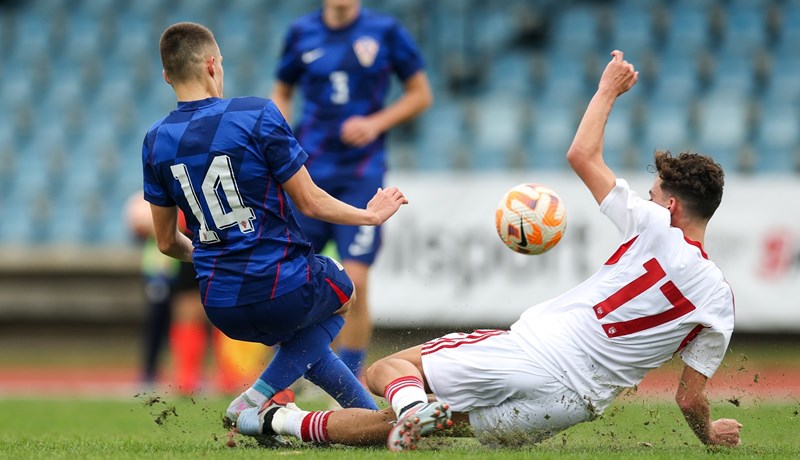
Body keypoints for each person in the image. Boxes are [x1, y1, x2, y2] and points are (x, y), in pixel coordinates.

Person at [236, 50, 743, 451]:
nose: (649, 198)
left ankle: (408, 411)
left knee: (385, 373)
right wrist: (710, 436)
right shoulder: (719, 300)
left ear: (672, 206)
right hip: (573, 405)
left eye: (655, 193)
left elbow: (581, 154)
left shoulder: (655, 225)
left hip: (532, 352)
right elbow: (690, 397)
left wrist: (607, 89)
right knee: (391, 423)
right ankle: (275, 421)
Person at [142, 22, 408, 428]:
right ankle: (255, 397)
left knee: (305, 346)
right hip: (279, 284)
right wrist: (369, 215)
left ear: (166, 75)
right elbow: (309, 200)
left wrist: (214, 256)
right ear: (213, 65)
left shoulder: (155, 140)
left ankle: (377, 422)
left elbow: (165, 242)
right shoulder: (255, 113)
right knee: (344, 291)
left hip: (219, 303)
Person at [271, 0, 433, 379]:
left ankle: (348, 378)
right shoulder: (301, 33)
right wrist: (279, 135)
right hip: (307, 172)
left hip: (361, 174)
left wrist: (376, 123)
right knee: (291, 279)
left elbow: (420, 94)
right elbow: (281, 91)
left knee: (355, 281)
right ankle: (288, 376)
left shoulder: (385, 32)